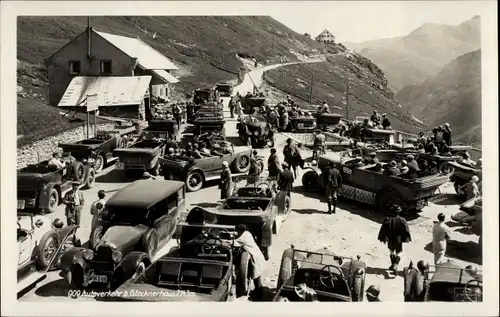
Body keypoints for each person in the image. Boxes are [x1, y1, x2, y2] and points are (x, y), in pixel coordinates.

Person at [229, 224, 266, 300]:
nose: (237, 232)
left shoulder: (243, 238)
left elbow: (233, 243)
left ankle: (259, 296)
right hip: (258, 254)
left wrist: (223, 240)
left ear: (240, 230)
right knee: (256, 276)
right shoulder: (247, 233)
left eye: (237, 231)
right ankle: (258, 292)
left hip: (256, 258)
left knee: (256, 277)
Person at [377, 205, 411, 273]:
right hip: (398, 239)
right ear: (399, 212)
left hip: (390, 239)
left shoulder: (387, 219)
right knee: (399, 252)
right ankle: (395, 265)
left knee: (391, 251)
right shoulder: (402, 220)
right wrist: (406, 238)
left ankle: (393, 264)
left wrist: (383, 238)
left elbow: (383, 229)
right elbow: (406, 230)